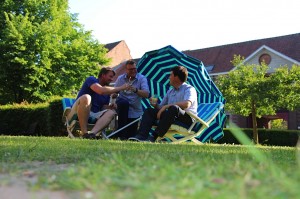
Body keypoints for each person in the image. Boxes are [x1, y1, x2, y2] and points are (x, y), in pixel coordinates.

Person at [129, 65, 198, 142]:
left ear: (176, 77)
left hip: (187, 119)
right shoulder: (170, 91)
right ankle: (141, 136)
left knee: (174, 108)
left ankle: (154, 137)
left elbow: (187, 104)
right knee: (149, 111)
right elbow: (161, 108)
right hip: (172, 116)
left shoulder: (189, 89)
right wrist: (155, 105)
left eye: (170, 75)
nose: (169, 77)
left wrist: (166, 107)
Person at [66, 67, 129, 139]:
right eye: (110, 76)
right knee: (86, 97)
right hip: (77, 111)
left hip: (93, 114)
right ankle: (84, 133)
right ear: (103, 75)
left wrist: (109, 107)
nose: (112, 79)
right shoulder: (91, 79)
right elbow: (100, 90)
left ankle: (91, 134)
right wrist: (121, 87)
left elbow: (102, 107)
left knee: (111, 112)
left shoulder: (107, 92)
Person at [114, 59, 150, 139]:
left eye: (135, 69)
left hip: (135, 111)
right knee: (124, 103)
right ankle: (120, 135)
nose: (134, 71)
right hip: (122, 109)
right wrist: (120, 89)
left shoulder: (141, 78)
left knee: (131, 136)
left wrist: (135, 90)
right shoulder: (120, 79)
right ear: (126, 70)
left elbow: (146, 94)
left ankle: (120, 135)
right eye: (131, 69)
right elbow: (114, 92)